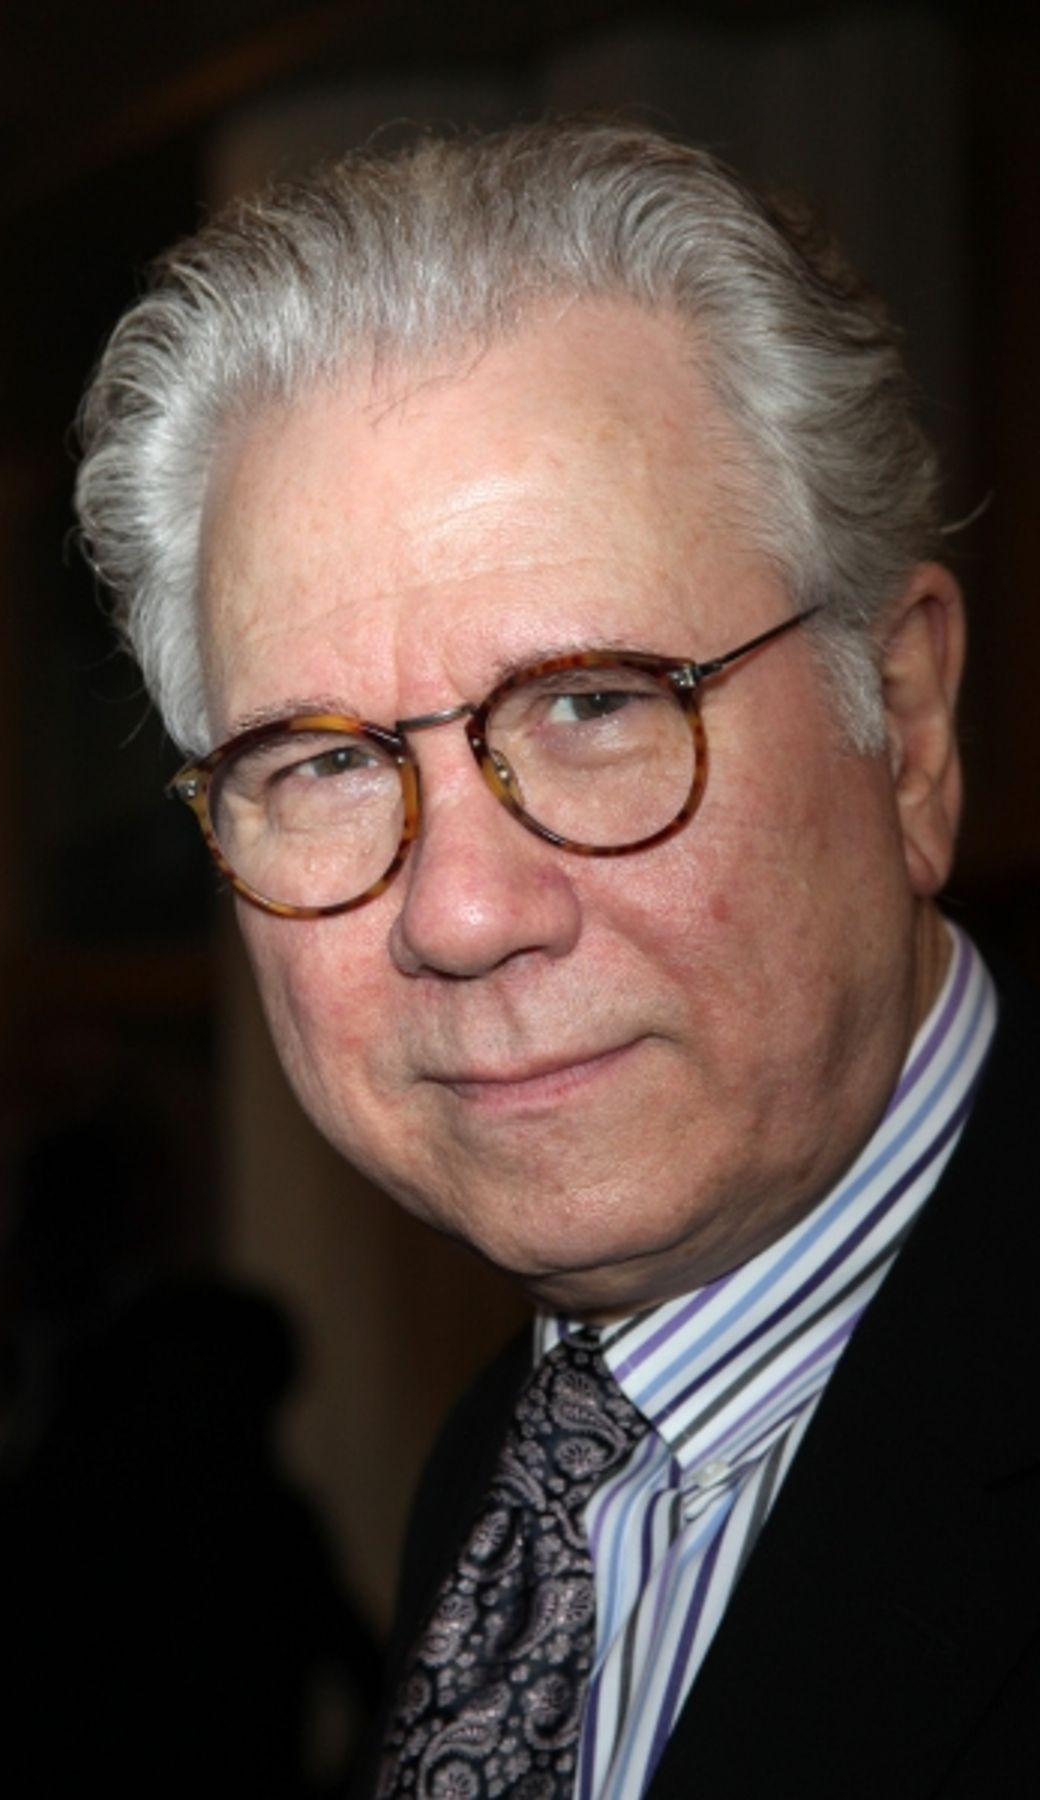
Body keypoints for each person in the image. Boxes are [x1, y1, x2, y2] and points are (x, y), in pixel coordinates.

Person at [74, 120, 1036, 1797]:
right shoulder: (517, 1472)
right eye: (322, 764)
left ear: (914, 727)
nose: (458, 911)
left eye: (593, 706)